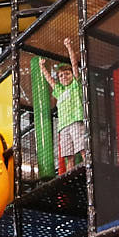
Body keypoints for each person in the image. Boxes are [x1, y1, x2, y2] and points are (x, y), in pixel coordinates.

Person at [51, 37, 88, 173]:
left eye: (67, 74)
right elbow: (50, 81)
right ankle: (69, 175)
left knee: (82, 147)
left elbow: (74, 65)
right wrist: (42, 67)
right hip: (63, 126)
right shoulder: (59, 91)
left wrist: (69, 47)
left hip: (75, 120)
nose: (64, 77)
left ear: (72, 75)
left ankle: (87, 167)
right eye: (61, 76)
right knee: (68, 156)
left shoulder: (75, 85)